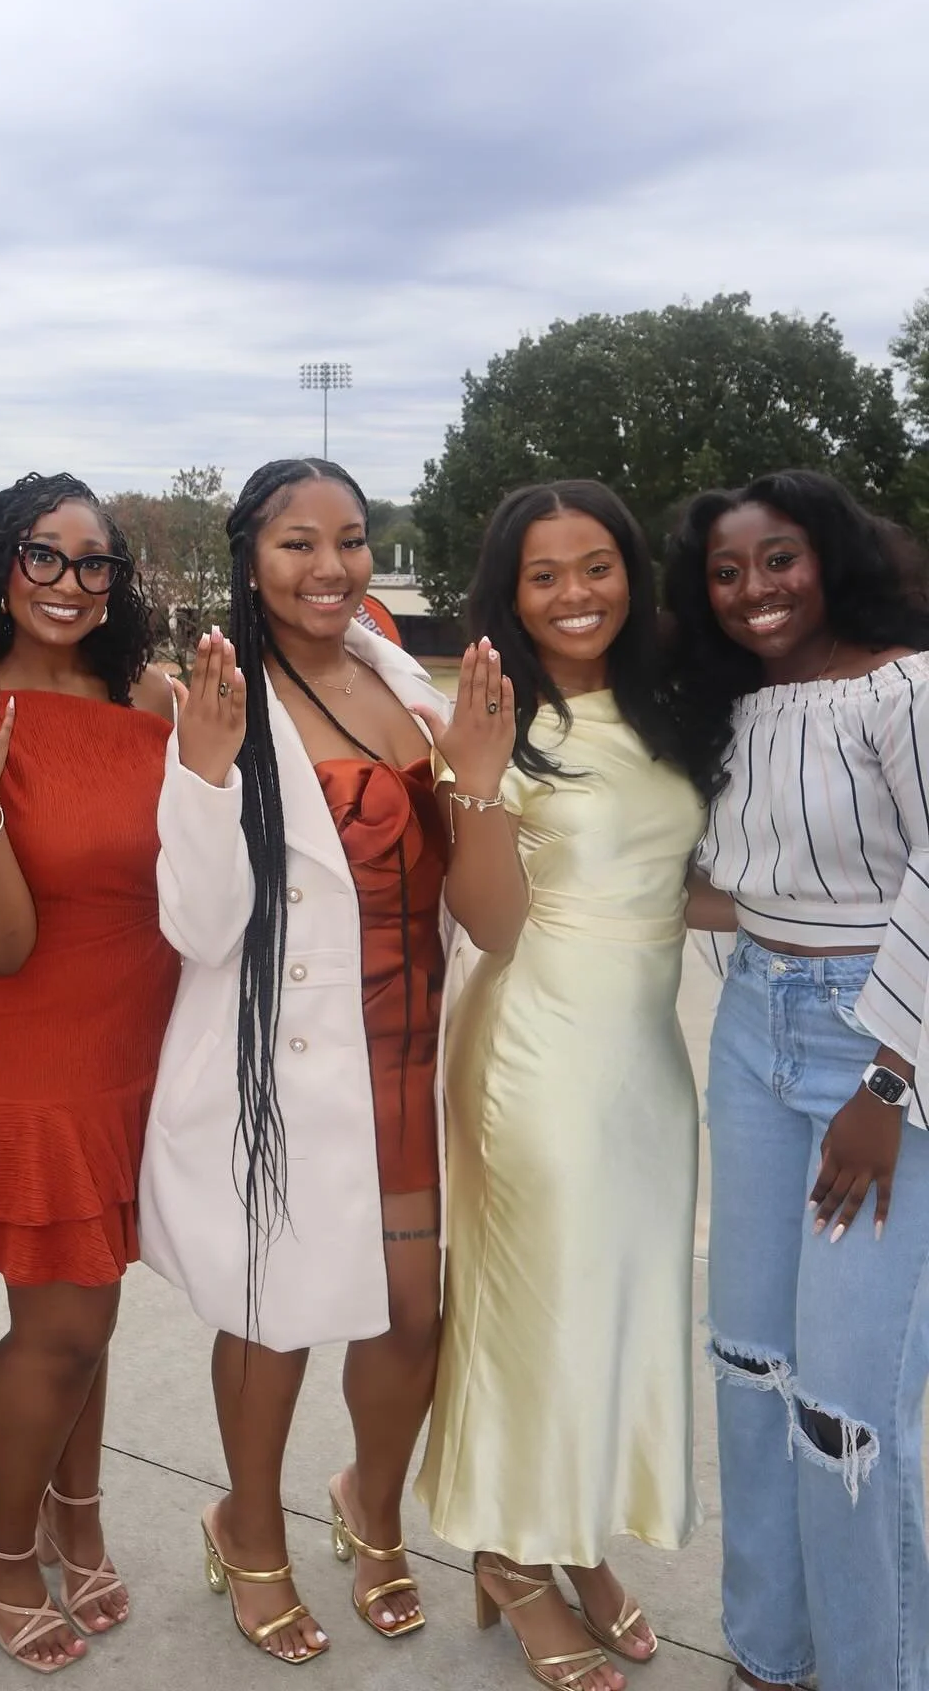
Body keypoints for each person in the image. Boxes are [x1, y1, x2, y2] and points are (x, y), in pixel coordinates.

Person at [139, 457, 452, 1665]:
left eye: (352, 541)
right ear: (250, 558)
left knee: (413, 1315)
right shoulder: (224, 698)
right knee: (274, 1318)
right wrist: (207, 773)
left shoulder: (396, 675)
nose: (330, 568)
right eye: (296, 544)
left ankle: (370, 1506)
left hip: (415, 1046)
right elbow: (201, 928)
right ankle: (249, 1526)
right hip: (295, 1052)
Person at [414, 480, 703, 1691]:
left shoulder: (671, 707)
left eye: (596, 566)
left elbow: (688, 878)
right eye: (545, 574)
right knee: (531, 1306)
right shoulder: (488, 719)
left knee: (615, 1301)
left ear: (631, 575)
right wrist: (475, 778)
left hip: (646, 1053)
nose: (575, 593)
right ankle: (510, 1558)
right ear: (508, 594)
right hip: (535, 1044)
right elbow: (488, 919)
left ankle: (574, 1538)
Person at [0, 471, 180, 1675]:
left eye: (94, 561)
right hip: (32, 1061)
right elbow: (1, 945)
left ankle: (77, 1518)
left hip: (136, 1053)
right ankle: (1, 1551)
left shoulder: (150, 704)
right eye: (44, 556)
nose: (72, 583)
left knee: (95, 1312)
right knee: (59, 1328)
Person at [664, 470, 929, 1691]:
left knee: (846, 1409)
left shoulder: (905, 689)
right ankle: (773, 1652)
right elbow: (755, 889)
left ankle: (880, 1669)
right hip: (753, 1030)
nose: (755, 590)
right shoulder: (745, 710)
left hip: (879, 1057)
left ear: (827, 555)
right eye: (727, 572)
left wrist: (886, 1089)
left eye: (778, 560)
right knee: (750, 1365)